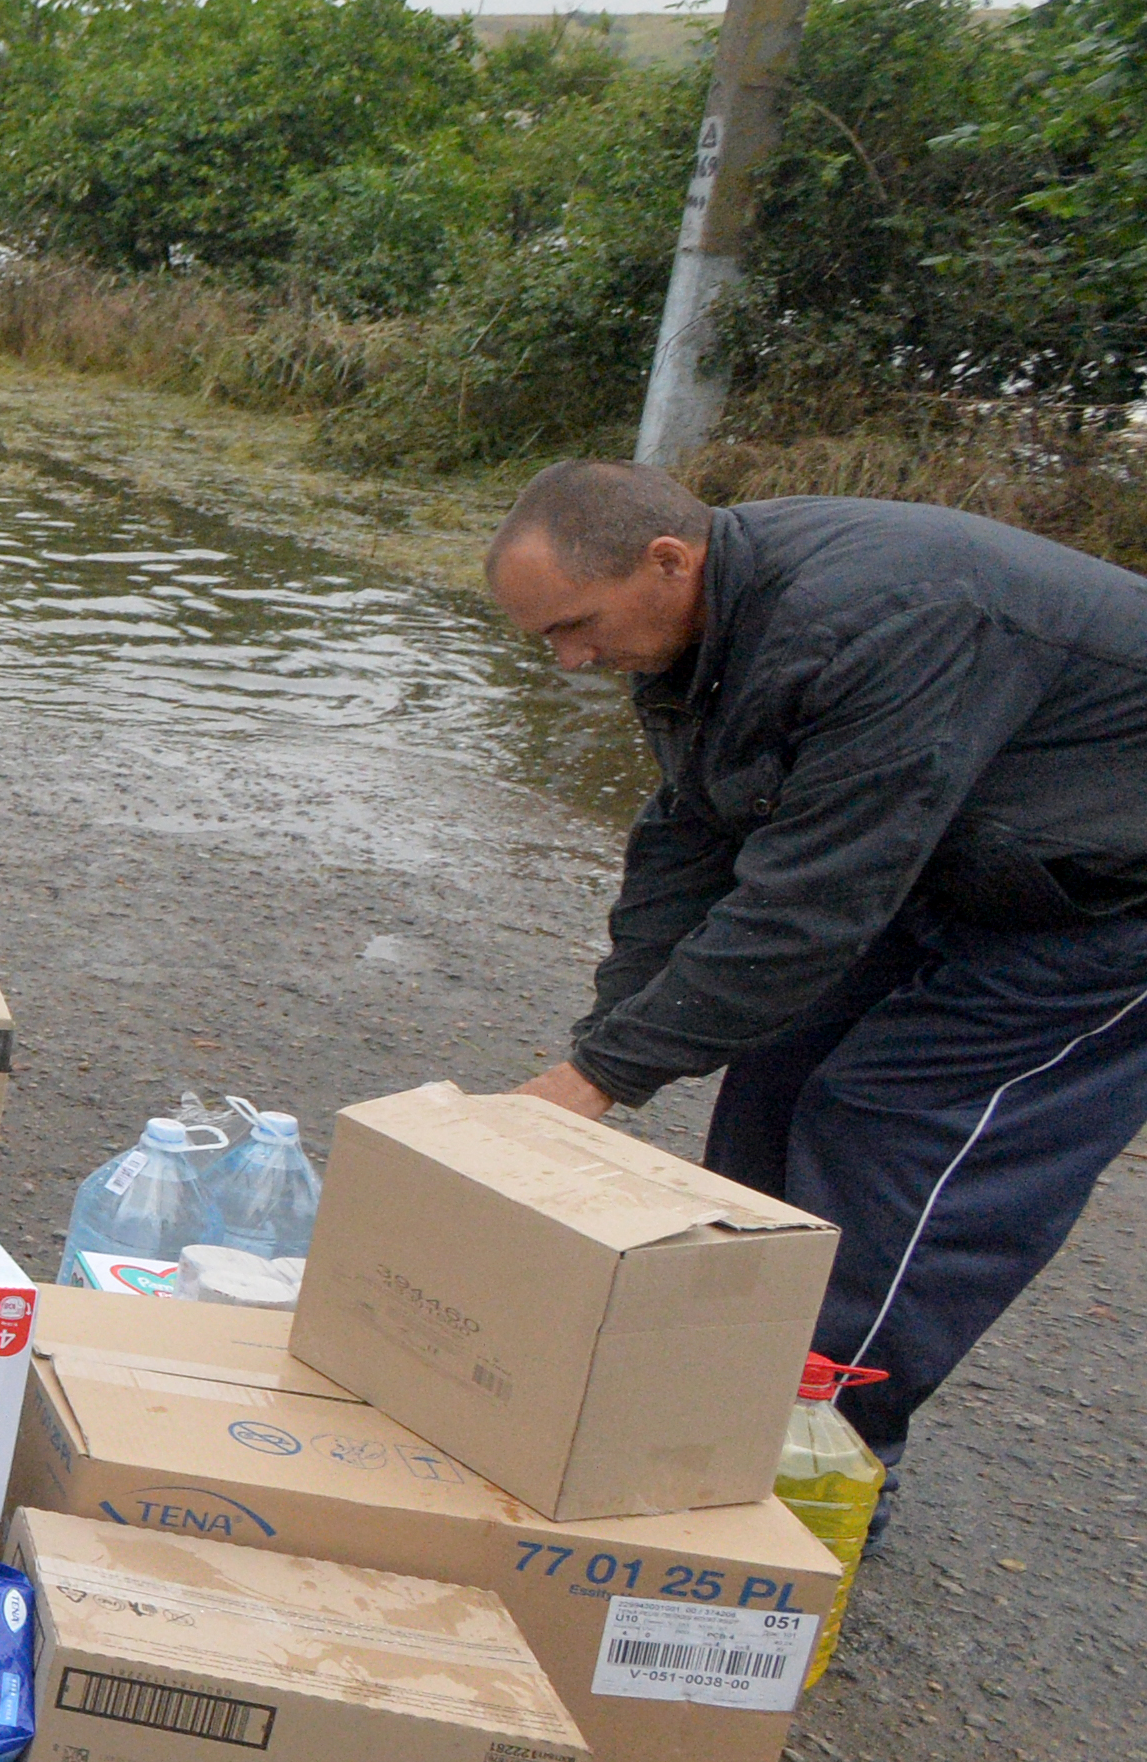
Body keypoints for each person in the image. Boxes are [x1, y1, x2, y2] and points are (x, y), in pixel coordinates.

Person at [487, 460, 1147, 1507]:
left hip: (1114, 896)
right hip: (974, 847)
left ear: (666, 559)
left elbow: (810, 902)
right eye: (547, 642)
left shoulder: (878, 621)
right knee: (776, 1070)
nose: (571, 659)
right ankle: (706, 1399)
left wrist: (598, 1078)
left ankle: (809, 1468)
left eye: (574, 625)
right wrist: (600, 1043)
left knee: (886, 1121)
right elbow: (688, 839)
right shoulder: (700, 631)